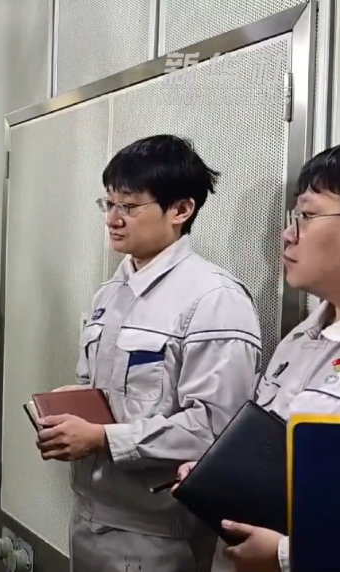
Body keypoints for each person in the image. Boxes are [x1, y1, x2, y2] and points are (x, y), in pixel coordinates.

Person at [35, 134, 262, 572]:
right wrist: (72, 406)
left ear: (181, 210)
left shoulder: (214, 298)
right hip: (91, 515)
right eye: (108, 203)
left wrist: (102, 438)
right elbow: (100, 389)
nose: (113, 219)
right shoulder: (111, 292)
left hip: (161, 533)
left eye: (129, 206)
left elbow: (218, 430)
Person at [175, 145, 340, 572]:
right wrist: (221, 474)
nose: (287, 235)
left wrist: (285, 554)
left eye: (306, 215)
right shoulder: (299, 340)